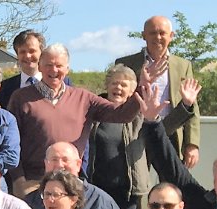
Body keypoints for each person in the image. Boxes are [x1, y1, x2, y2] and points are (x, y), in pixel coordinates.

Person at [8, 44, 140, 196]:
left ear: (67, 69)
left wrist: (142, 90)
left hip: (72, 183)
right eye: (49, 65)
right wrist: (18, 180)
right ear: (40, 67)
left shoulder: (84, 98)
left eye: (59, 65)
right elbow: (11, 142)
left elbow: (121, 115)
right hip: (34, 183)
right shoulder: (21, 98)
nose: (54, 70)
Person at [88, 66, 193, 209]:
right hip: (97, 188)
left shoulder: (140, 116)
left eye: (124, 85)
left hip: (128, 192)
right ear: (107, 86)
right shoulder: (93, 112)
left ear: (132, 92)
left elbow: (162, 129)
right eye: (114, 83)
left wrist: (185, 106)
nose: (118, 87)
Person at [115, 15, 201, 168]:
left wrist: (192, 144)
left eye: (162, 33)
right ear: (143, 36)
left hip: (172, 131)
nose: (158, 37)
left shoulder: (183, 65)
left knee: (173, 187)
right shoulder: (126, 64)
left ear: (171, 36)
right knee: (137, 184)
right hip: (138, 132)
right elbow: (116, 99)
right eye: (153, 33)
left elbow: (192, 105)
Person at [0, 30, 57, 113]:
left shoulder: (60, 83)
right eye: (22, 52)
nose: (27, 56)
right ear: (17, 55)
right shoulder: (4, 88)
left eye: (32, 51)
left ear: (42, 53)